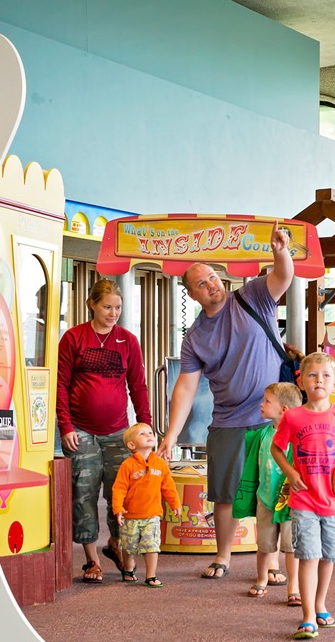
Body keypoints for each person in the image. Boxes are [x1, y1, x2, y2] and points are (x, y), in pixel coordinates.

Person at [157, 222, 294, 580]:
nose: (211, 284)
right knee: (224, 493)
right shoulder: (195, 337)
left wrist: (280, 250)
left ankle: (273, 562)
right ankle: (223, 556)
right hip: (228, 421)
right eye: (201, 283)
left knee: (273, 490)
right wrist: (171, 435)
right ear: (192, 295)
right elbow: (185, 389)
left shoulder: (251, 297)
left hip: (272, 418)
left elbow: (283, 277)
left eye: (213, 277)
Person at [57, 278, 152, 584]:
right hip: (81, 431)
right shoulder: (73, 338)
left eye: (118, 307)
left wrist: (144, 423)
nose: (113, 313)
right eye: (107, 307)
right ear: (92, 305)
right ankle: (91, 561)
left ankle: (119, 549)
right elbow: (60, 384)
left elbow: (138, 384)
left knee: (120, 496)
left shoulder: (128, 340)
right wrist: (65, 425)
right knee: (83, 495)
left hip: (118, 433)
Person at [271, 351, 335, 639]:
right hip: (304, 501)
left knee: (329, 556)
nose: (319, 380)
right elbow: (277, 448)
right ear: (302, 382)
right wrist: (290, 472)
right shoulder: (293, 417)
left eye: (325, 376)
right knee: (308, 555)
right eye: (312, 375)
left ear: (334, 383)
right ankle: (308, 615)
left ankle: (321, 604)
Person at [244, 381, 303, 604]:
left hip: (291, 501)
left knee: (291, 547)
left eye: (267, 401)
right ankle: (261, 578)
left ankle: (294, 586)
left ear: (284, 410)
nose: (261, 404)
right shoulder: (262, 435)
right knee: (264, 544)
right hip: (265, 498)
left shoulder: (297, 435)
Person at [111, 422, 181, 587]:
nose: (149, 435)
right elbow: (119, 488)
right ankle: (128, 568)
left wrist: (175, 504)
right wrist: (118, 509)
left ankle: (151, 575)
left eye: (150, 432)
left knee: (152, 546)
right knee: (129, 546)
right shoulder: (127, 465)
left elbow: (168, 487)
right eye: (142, 434)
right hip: (130, 515)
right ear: (131, 445)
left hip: (152, 515)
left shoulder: (160, 464)